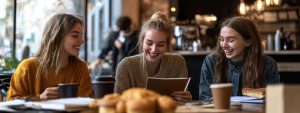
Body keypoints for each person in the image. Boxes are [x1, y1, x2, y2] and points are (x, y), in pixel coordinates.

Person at [7, 13, 92, 100]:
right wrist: (39, 98)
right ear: (57, 36)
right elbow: (11, 101)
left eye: (81, 36)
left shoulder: (81, 68)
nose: (82, 41)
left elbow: (87, 104)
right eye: (75, 35)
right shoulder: (27, 67)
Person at [115, 12, 192, 101]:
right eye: (149, 43)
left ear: (167, 45)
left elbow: (182, 100)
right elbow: (118, 104)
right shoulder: (126, 66)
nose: (154, 49)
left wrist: (185, 98)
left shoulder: (178, 62)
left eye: (160, 45)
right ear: (142, 41)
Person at [199, 17, 280, 100]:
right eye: (222, 39)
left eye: (231, 40)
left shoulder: (267, 64)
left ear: (248, 41)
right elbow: (205, 98)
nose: (224, 45)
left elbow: (274, 99)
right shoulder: (211, 61)